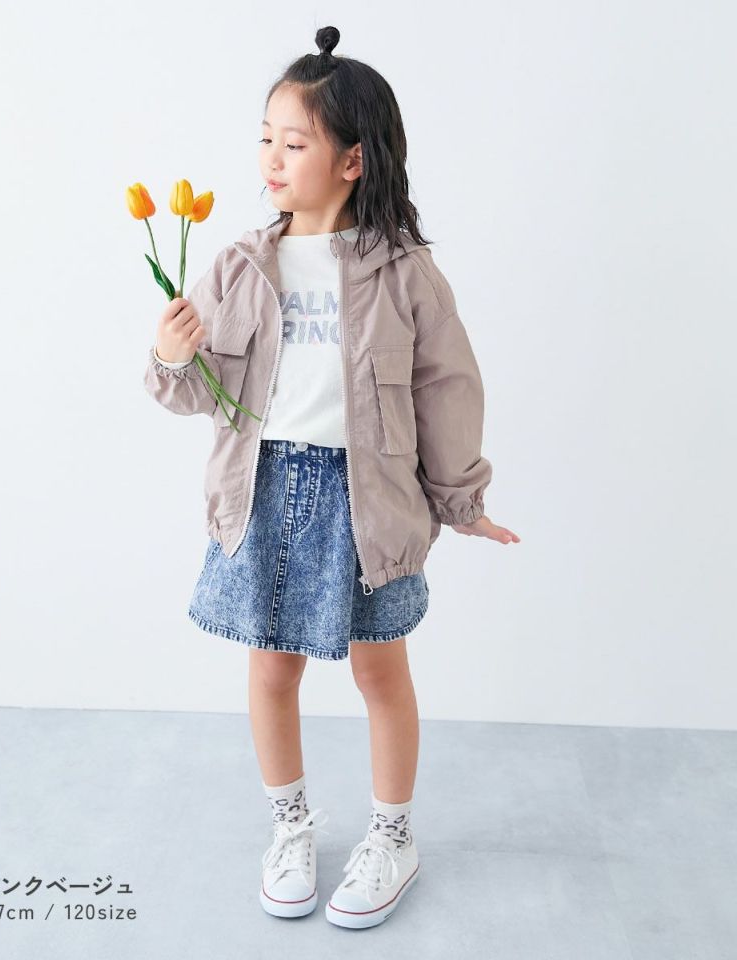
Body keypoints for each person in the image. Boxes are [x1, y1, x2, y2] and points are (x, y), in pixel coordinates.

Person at [143, 24, 520, 929]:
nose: (271, 158)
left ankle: (393, 835)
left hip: (368, 502)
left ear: (353, 160)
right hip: (264, 493)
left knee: (379, 672)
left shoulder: (404, 272)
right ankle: (291, 826)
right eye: (265, 139)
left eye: (295, 142)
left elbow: (447, 385)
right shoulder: (239, 263)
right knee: (271, 671)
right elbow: (200, 395)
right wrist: (170, 354)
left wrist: (460, 497)